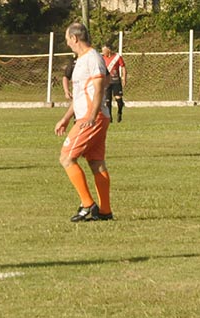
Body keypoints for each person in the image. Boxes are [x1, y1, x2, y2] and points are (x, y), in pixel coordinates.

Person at [54, 22, 114, 222]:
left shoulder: (93, 58)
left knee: (66, 158)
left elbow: (99, 88)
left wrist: (91, 115)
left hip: (92, 117)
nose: (67, 43)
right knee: (96, 163)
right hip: (88, 115)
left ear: (75, 38)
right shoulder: (80, 60)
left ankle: (88, 204)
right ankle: (105, 211)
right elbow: (81, 95)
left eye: (67, 39)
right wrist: (65, 118)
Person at [101, 45, 127, 122]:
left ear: (109, 50)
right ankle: (110, 118)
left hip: (116, 81)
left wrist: (124, 78)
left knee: (118, 99)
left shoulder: (117, 57)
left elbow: (123, 67)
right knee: (107, 101)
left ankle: (119, 112)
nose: (103, 52)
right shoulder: (102, 58)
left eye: (104, 50)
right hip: (107, 82)